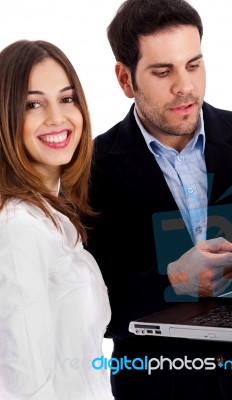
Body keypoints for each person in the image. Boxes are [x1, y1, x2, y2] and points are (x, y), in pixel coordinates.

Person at [85, 0, 232, 399]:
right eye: (163, 71)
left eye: (194, 65)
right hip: (161, 386)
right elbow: (89, 313)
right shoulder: (88, 170)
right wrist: (174, 280)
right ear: (125, 79)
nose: (184, 85)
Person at [0, 40, 113, 400]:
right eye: (33, 104)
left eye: (67, 99)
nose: (57, 117)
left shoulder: (53, 218)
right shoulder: (18, 228)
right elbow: (27, 386)